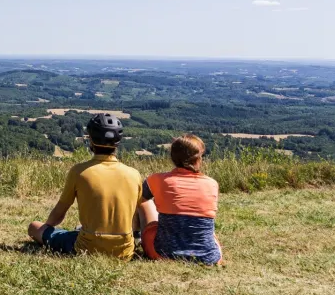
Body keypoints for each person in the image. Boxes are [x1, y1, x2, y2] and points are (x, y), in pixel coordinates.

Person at [28, 113, 142, 259]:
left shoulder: (79, 172)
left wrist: (46, 227)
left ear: (91, 140)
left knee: (34, 227)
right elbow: (137, 216)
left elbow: (59, 213)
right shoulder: (134, 174)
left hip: (87, 248)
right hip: (124, 251)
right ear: (117, 143)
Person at [136, 134, 223, 265]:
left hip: (162, 253)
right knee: (209, 231)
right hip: (210, 257)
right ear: (198, 159)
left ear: (173, 158)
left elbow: (138, 199)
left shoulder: (156, 180)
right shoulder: (212, 183)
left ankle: (134, 236)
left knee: (144, 201)